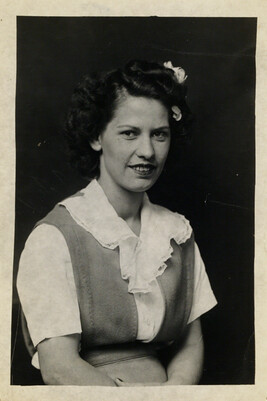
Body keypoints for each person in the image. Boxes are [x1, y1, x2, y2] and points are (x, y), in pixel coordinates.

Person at [17, 59, 217, 386]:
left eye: (160, 134)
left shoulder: (177, 234)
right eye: (129, 133)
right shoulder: (54, 238)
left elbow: (190, 343)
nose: (147, 151)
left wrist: (172, 394)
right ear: (97, 136)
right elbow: (58, 366)